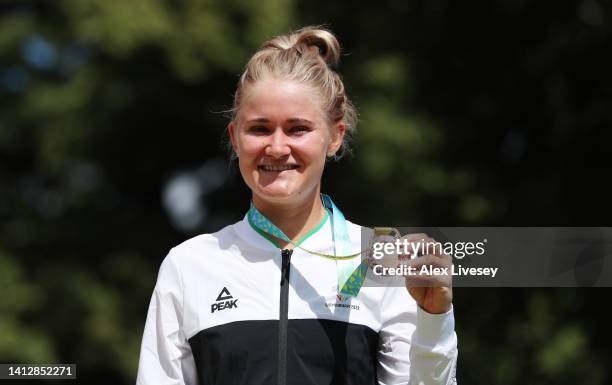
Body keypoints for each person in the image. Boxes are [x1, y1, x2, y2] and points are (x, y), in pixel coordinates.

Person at [136, 26, 458, 385]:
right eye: (259, 128)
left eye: (297, 129)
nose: (276, 147)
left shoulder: (381, 259)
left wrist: (433, 319)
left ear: (335, 136)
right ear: (235, 138)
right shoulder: (189, 265)